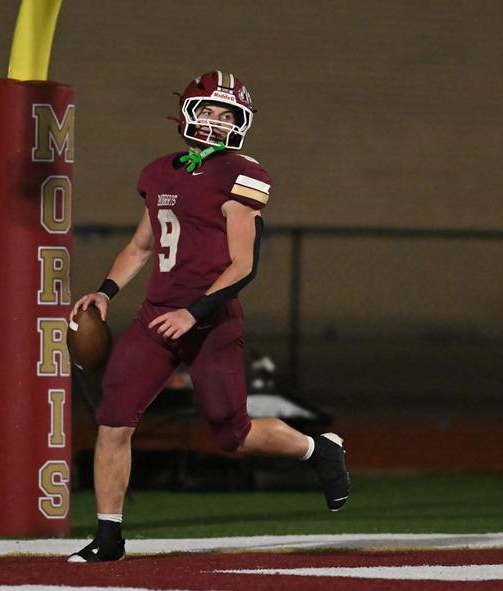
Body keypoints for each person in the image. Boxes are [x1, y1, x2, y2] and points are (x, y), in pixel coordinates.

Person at [68, 71, 350, 563]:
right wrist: (107, 291)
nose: (218, 123)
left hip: (211, 318)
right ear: (188, 113)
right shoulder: (159, 172)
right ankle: (109, 536)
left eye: (228, 115)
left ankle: (317, 449)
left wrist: (193, 310)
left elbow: (245, 265)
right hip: (157, 316)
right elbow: (140, 246)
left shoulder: (241, 174)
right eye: (210, 112)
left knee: (232, 435)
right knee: (114, 419)